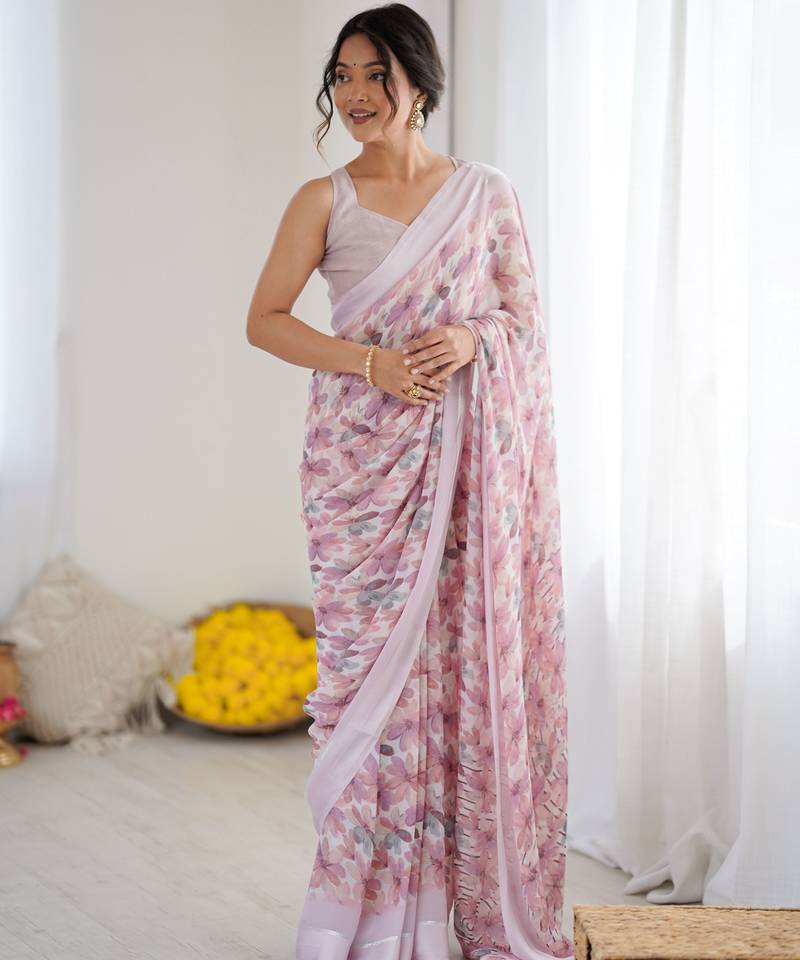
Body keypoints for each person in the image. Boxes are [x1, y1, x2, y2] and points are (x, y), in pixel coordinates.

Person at [246, 6, 573, 959]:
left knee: (456, 674)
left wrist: (470, 337)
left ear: (419, 84)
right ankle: (363, 916)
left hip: (468, 472)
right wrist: (370, 364)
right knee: (368, 695)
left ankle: (445, 913)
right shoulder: (322, 200)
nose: (354, 94)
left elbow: (523, 322)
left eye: (374, 75)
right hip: (361, 474)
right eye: (342, 76)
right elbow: (266, 320)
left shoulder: (485, 194)